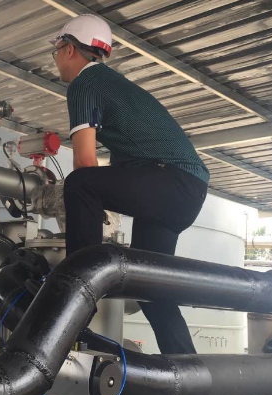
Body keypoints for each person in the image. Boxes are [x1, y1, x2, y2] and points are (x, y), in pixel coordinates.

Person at [51, 14, 209, 355]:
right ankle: (191, 379)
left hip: (171, 180)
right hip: (187, 191)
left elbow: (85, 164)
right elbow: (121, 172)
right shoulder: (115, 86)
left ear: (69, 49)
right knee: (151, 290)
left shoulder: (84, 83)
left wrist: (90, 205)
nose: (56, 60)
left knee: (79, 183)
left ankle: (77, 293)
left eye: (56, 51)